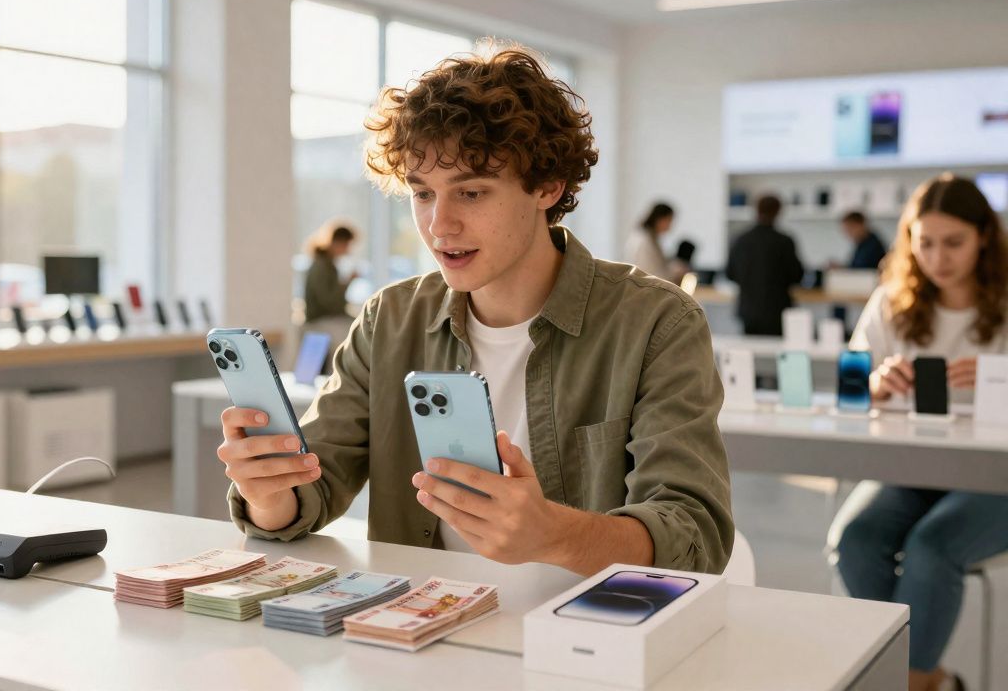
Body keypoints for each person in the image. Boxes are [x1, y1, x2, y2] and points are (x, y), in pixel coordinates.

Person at [215, 46, 733, 576]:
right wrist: (270, 492)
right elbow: (313, 489)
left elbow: (694, 536)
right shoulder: (389, 320)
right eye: (422, 194)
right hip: (420, 632)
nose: (440, 225)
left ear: (548, 187)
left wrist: (554, 534)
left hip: (584, 638)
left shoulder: (656, 323)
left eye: (472, 192)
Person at [829, 174, 1008, 691]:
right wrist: (874, 382)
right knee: (855, 540)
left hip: (995, 476)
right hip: (912, 468)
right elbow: (850, 384)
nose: (938, 257)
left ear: (983, 239)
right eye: (924, 242)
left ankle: (907, 681)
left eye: (953, 243)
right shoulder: (892, 302)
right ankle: (929, 680)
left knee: (932, 548)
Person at [726, 194, 806, 336]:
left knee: (751, 351)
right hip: (777, 309)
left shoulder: (741, 240)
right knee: (779, 353)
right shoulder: (784, 241)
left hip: (748, 308)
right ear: (778, 212)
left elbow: (730, 273)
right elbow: (796, 275)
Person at [302, 223, 358, 323]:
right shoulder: (321, 266)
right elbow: (330, 303)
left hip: (326, 319)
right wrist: (348, 282)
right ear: (337, 242)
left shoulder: (328, 265)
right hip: (319, 321)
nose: (348, 250)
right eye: (347, 245)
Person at [623, 201, 687, 283]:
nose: (670, 226)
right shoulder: (643, 240)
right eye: (669, 220)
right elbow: (651, 273)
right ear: (660, 219)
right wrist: (675, 273)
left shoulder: (648, 237)